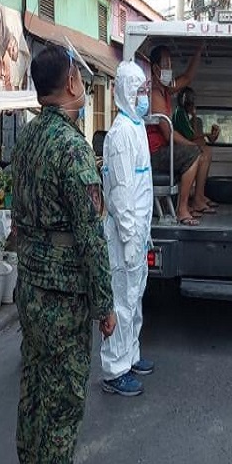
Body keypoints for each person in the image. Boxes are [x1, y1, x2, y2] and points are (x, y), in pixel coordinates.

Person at [11, 44, 116, 464]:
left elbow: (18, 218)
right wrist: (106, 305)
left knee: (34, 388)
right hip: (63, 296)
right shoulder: (72, 148)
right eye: (79, 76)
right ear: (71, 82)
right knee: (63, 400)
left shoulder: (29, 138)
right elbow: (91, 238)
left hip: (31, 286)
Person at [100, 61, 155, 397]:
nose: (144, 97)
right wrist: (130, 237)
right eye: (140, 91)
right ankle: (114, 370)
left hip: (136, 232)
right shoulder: (121, 134)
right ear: (124, 92)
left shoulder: (135, 128)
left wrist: (143, 232)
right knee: (121, 301)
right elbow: (120, 194)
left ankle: (130, 355)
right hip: (124, 237)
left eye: (145, 90)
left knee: (134, 299)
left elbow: (141, 188)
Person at [147, 44, 213, 225]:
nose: (170, 69)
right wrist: (192, 145)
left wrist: (198, 50)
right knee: (193, 154)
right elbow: (169, 135)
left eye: (170, 64)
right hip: (154, 154)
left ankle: (196, 200)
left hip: (164, 149)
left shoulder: (166, 89)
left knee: (200, 151)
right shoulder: (154, 94)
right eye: (166, 64)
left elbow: (187, 77)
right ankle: (182, 209)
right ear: (155, 68)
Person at [173, 87, 219, 210]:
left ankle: (200, 195)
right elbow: (191, 136)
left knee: (206, 149)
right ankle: (197, 198)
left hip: (184, 148)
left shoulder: (184, 115)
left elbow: (192, 132)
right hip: (179, 150)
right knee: (204, 151)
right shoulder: (180, 113)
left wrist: (194, 116)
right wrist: (206, 135)